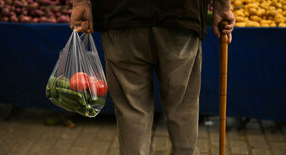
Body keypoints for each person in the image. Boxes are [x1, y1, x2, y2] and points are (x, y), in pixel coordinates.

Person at [70, 0, 235, 154]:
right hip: (180, 13)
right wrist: (223, 7)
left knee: (132, 109)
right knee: (183, 106)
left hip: (121, 14)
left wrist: (80, 3)